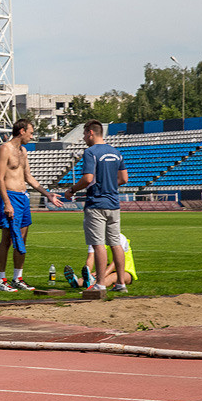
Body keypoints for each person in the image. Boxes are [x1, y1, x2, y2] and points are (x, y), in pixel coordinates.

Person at [0, 119, 64, 291]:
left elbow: (28, 177)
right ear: (22, 131)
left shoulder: (23, 151)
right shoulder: (5, 149)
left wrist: (47, 194)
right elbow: (0, 178)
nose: (32, 137)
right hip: (10, 197)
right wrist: (7, 203)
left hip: (23, 198)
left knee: (23, 239)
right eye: (31, 133)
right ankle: (0, 280)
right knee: (7, 240)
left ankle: (18, 278)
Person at [64, 119, 128, 294]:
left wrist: (71, 190)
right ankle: (121, 283)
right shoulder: (116, 153)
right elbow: (123, 179)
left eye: (84, 134)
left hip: (96, 203)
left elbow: (87, 179)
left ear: (91, 132)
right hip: (114, 204)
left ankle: (100, 283)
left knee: (98, 244)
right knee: (115, 244)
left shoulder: (90, 152)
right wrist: (109, 184)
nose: (84, 137)